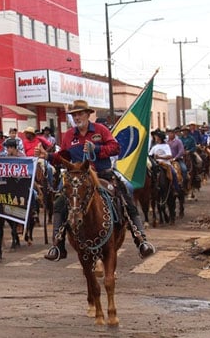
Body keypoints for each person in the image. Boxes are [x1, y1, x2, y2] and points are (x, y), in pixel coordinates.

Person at [35, 99, 155, 261]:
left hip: (102, 175)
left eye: (80, 114)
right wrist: (47, 156)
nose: (77, 118)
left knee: (125, 196)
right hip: (79, 179)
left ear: (87, 114)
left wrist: (97, 149)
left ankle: (141, 239)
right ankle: (57, 244)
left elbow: (116, 148)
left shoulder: (101, 130)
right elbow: (63, 157)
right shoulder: (69, 135)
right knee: (60, 203)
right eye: (74, 115)